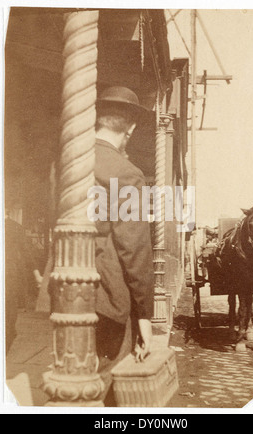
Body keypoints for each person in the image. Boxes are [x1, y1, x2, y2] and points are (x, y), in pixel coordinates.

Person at [94, 86, 155, 404]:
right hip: (109, 295)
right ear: (129, 129)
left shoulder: (66, 164)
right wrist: (144, 314)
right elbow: (134, 247)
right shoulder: (127, 173)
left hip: (66, 291)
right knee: (107, 384)